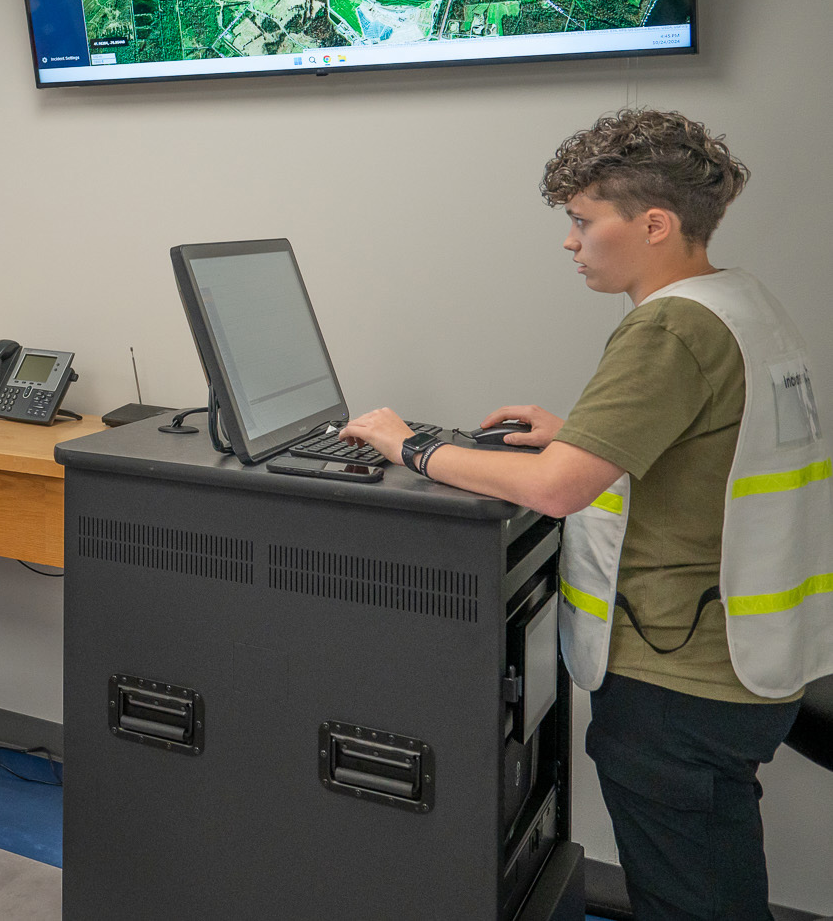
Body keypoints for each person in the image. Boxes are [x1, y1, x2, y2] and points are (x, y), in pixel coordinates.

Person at [340, 108, 832, 921]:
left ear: (653, 223)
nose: (570, 241)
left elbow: (557, 490)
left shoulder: (669, 327)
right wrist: (582, 434)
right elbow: (711, 447)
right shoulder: (741, 305)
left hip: (677, 679)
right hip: (742, 661)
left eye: (581, 220)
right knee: (712, 871)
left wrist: (409, 445)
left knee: (690, 899)